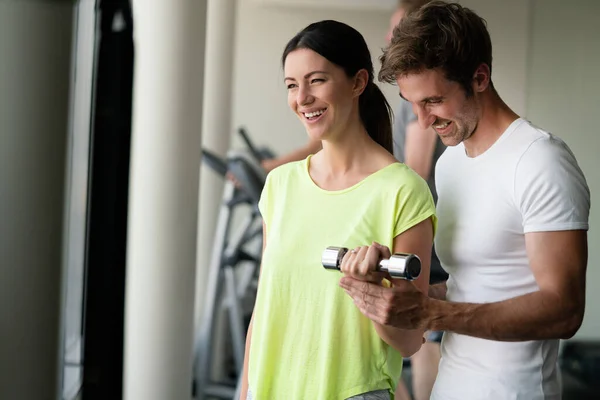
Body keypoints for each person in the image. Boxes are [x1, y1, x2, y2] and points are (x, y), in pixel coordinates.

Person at [340, 1, 591, 399]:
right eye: (413, 105)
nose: (423, 122)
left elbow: (564, 309)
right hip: (452, 385)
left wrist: (433, 313)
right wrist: (404, 296)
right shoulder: (452, 163)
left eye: (433, 102)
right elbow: (471, 285)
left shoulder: (541, 160)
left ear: (479, 77)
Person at [240, 20, 437, 400]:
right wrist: (246, 390)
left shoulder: (402, 191)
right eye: (292, 86)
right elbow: (265, 308)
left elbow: (410, 341)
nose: (302, 98)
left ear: (358, 82)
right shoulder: (280, 186)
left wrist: (369, 290)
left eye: (316, 81)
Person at [386, 2, 447, 400]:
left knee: (428, 339)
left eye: (399, 31)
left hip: (423, 227)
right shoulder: (413, 94)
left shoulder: (418, 100)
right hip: (423, 221)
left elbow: (415, 170)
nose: (391, 40)